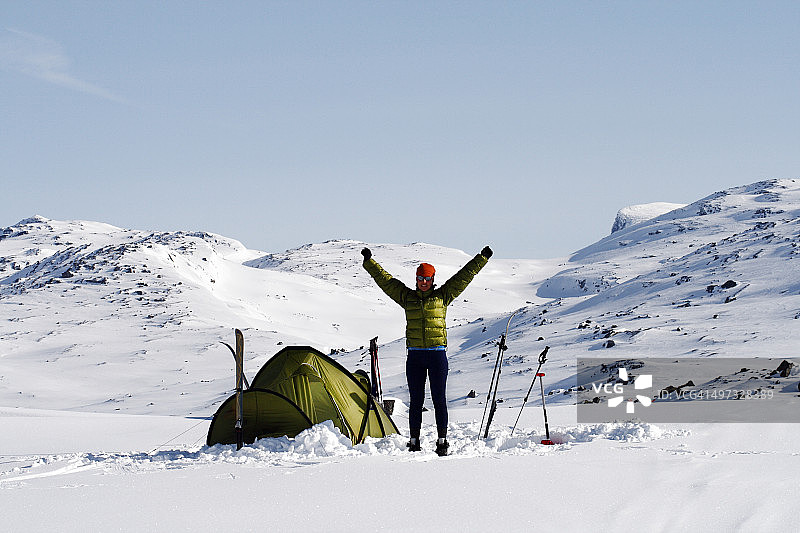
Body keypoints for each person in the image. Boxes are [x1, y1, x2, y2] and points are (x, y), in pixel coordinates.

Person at [361, 245, 493, 456]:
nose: (423, 283)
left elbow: (463, 277)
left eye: (427, 279)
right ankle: (414, 441)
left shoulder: (443, 296)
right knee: (416, 400)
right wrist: (370, 263)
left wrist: (481, 258)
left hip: (437, 355)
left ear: (433, 280)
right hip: (415, 356)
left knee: (439, 398)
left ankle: (442, 441)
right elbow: (386, 282)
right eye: (421, 279)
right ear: (416, 279)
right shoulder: (407, 298)